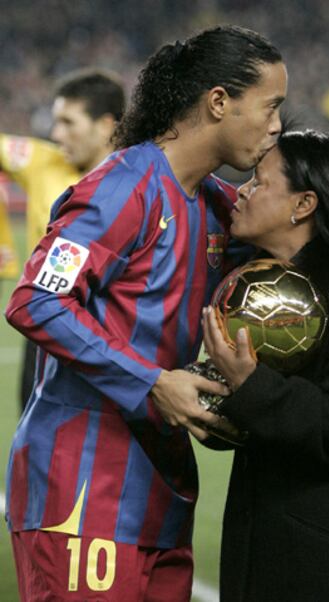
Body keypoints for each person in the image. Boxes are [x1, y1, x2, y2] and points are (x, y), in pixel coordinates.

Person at [5, 25, 287, 601]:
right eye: (270, 106)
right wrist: (153, 381)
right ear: (218, 103)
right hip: (83, 491)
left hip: (163, 492)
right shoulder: (121, 188)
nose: (277, 125)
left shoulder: (213, 202)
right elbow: (35, 299)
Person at [201, 130, 329, 602]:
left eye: (259, 182)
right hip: (272, 554)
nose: (242, 191)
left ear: (303, 204)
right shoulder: (263, 290)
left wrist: (248, 384)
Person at [0, 67, 126, 409]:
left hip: (106, 329)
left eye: (69, 123)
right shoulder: (42, 162)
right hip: (41, 322)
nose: (56, 134)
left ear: (106, 125)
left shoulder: (136, 180)